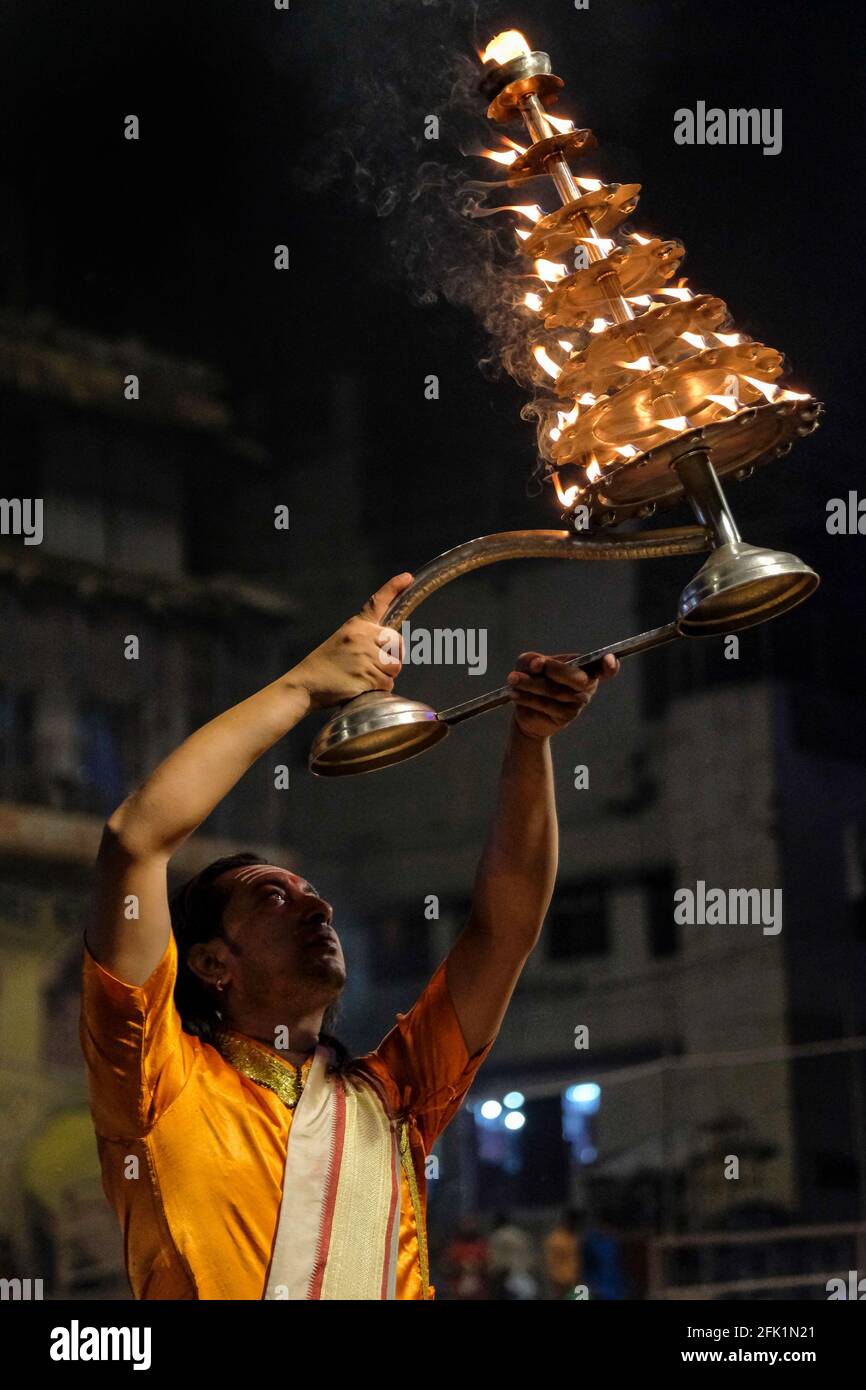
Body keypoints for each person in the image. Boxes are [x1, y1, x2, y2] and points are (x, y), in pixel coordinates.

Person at [81, 572, 619, 1300]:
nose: (318, 909)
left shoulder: (391, 1097)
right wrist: (302, 687)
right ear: (209, 962)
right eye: (273, 896)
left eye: (313, 894)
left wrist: (532, 738)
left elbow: (505, 929)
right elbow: (134, 841)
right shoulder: (157, 1080)